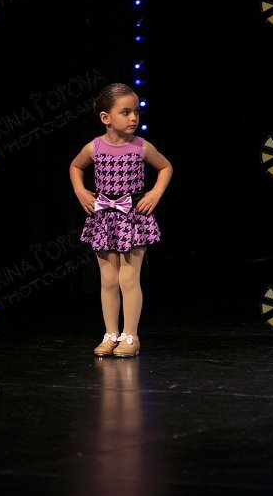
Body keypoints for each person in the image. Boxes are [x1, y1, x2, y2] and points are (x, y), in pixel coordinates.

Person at [69, 83, 172, 358]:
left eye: (136, 111)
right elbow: (76, 166)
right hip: (104, 218)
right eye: (125, 112)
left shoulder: (141, 146)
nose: (133, 117)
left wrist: (154, 194)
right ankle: (110, 333)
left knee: (128, 279)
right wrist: (81, 191)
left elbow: (165, 167)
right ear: (106, 117)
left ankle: (130, 335)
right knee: (108, 280)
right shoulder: (94, 147)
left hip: (133, 218)